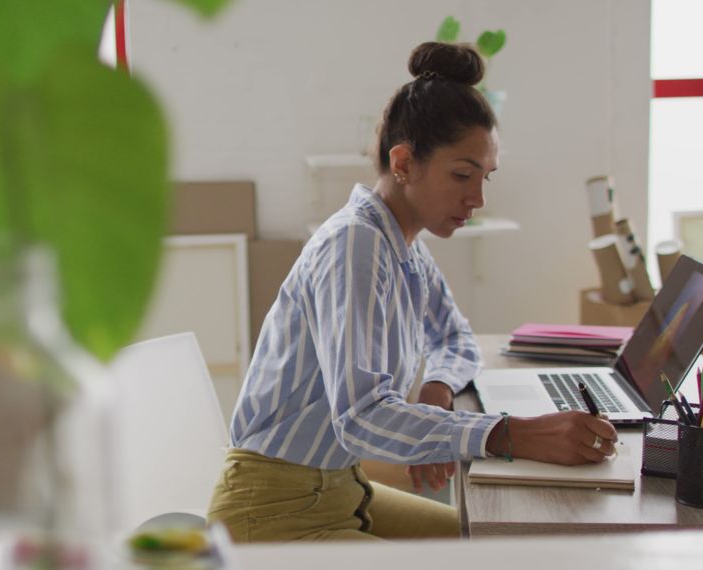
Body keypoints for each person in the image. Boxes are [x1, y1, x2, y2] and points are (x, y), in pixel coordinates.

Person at [206, 41, 618, 543]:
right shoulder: (354, 244)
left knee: (496, 542)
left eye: (484, 177)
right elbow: (362, 418)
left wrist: (437, 392)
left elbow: (456, 339)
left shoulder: (402, 245)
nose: (478, 198)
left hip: (341, 488)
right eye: (462, 175)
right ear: (403, 162)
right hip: (270, 511)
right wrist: (511, 433)